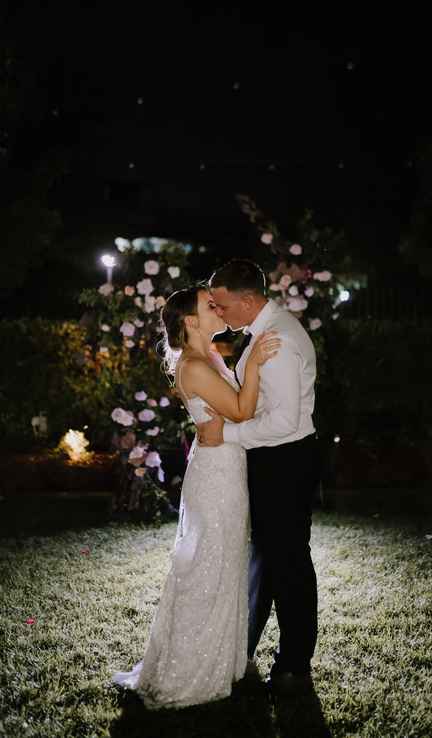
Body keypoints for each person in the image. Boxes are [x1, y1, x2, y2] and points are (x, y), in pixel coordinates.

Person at [112, 285, 280, 709]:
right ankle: (190, 665)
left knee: (225, 563)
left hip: (226, 466)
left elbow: (239, 408)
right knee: (209, 564)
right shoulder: (194, 365)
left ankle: (221, 659)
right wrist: (256, 361)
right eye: (209, 305)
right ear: (190, 321)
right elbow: (241, 410)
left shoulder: (211, 356)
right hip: (217, 476)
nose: (217, 308)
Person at [198, 259, 319, 697]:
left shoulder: (280, 341)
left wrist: (226, 433)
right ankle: (243, 648)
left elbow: (284, 422)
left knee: (288, 564)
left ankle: (294, 665)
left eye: (223, 304)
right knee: (266, 560)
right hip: (273, 459)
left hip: (285, 460)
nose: (219, 310)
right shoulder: (264, 332)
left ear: (248, 301)